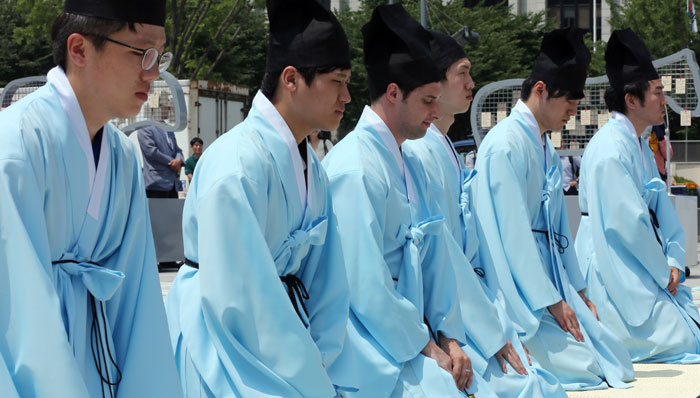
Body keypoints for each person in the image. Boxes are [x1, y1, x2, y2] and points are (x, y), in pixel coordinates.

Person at [164, 0, 352, 396]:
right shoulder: (237, 163)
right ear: (292, 79)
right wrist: (305, 367)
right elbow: (240, 297)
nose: (347, 96)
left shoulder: (312, 167)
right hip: (222, 341)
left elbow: (328, 278)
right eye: (337, 81)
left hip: (288, 338)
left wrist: (322, 354)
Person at [0, 1, 182, 397]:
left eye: (159, 56)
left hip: (101, 369)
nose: (153, 73)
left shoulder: (122, 154)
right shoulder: (14, 143)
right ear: (79, 49)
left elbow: (139, 302)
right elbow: (16, 312)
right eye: (141, 54)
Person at [324, 5, 494, 397]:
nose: (436, 113)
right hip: (368, 340)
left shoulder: (408, 159)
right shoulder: (356, 168)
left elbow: (436, 256)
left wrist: (450, 337)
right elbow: (366, 286)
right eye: (428, 101)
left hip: (414, 332)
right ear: (393, 92)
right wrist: (426, 346)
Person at [402, 30, 567, 398]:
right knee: (528, 383)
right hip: (447, 313)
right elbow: (449, 259)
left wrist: (500, 322)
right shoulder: (423, 153)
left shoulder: (443, 148)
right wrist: (489, 331)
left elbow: (472, 252)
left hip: (472, 301)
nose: (471, 83)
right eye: (462, 72)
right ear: (435, 82)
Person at [472, 27, 634, 390]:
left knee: (614, 358)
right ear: (541, 90)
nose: (572, 114)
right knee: (587, 367)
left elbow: (559, 230)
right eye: (568, 105)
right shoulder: (504, 146)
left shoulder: (542, 145)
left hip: (550, 280)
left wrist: (577, 290)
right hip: (518, 290)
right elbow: (512, 239)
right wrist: (551, 301)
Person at [574, 28, 700, 364]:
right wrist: (662, 272)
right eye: (657, 93)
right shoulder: (611, 149)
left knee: (692, 329)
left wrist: (673, 262)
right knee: (685, 339)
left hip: (639, 259)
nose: (664, 101)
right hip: (613, 262)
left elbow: (660, 206)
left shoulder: (638, 142)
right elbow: (628, 225)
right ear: (632, 99)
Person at [138, 109, 185, 198]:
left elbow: (177, 149)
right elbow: (151, 151)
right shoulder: (145, 126)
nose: (168, 110)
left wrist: (179, 160)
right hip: (156, 184)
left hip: (172, 185)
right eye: (165, 107)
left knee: (172, 212)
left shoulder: (168, 128)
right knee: (156, 212)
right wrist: (173, 162)